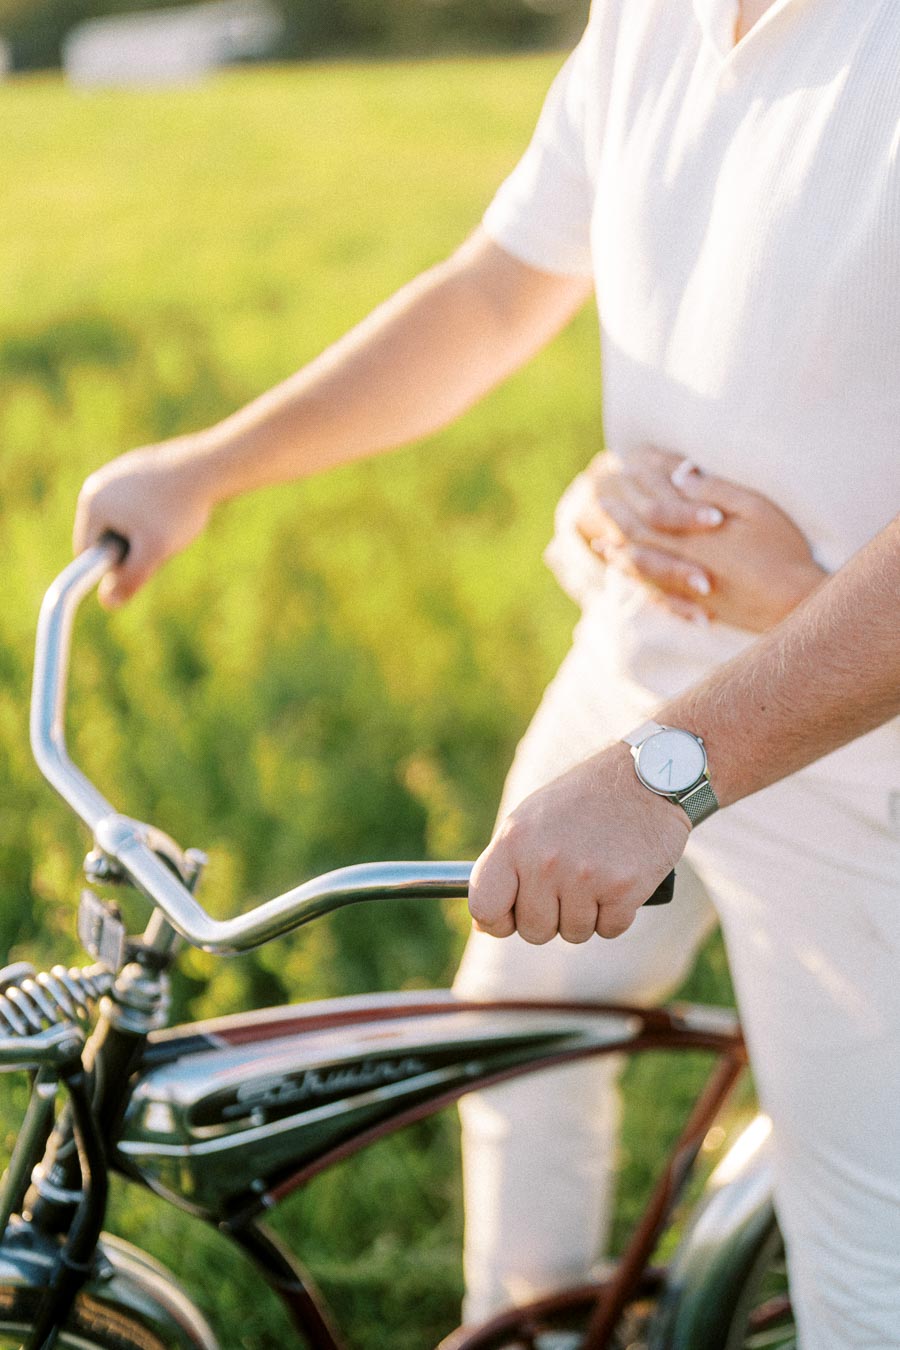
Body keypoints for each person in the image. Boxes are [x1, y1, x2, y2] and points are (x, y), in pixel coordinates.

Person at [74, 0, 900, 1341]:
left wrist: (667, 767)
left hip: (858, 751)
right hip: (634, 666)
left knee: (871, 1278)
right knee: (513, 1037)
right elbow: (500, 286)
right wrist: (209, 466)